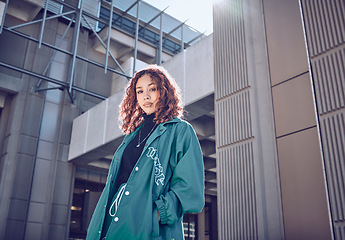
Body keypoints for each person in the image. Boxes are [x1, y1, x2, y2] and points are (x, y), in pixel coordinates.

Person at [86, 65, 204, 240]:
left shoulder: (180, 131)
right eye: (140, 91)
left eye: (152, 89)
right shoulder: (132, 135)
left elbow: (190, 188)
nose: (146, 96)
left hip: (147, 227)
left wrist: (156, 215)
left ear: (164, 92)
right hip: (112, 221)